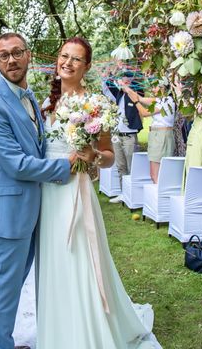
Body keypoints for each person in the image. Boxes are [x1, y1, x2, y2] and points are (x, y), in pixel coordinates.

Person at [34, 36, 156, 348]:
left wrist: (93, 157)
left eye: (76, 59)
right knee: (53, 257)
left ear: (87, 66)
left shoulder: (98, 104)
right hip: (47, 193)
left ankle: (86, 329)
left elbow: (108, 157)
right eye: (64, 56)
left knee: (79, 258)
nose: (68, 63)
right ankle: (58, 326)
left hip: (76, 191)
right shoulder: (46, 104)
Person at [0, 32, 74, 349]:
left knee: (14, 284)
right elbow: (16, 164)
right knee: (4, 286)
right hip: (8, 211)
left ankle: (0, 341)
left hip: (30, 207)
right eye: (4, 55)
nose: (11, 60)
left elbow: (38, 147)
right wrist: (65, 166)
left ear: (29, 55)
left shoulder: (28, 96)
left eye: (17, 52)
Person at [121, 81, 176, 184]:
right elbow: (140, 98)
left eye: (155, 87)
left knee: (155, 174)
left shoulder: (166, 101)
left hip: (160, 136)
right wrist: (125, 87)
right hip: (158, 135)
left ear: (163, 88)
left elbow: (145, 113)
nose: (153, 89)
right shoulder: (160, 100)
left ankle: (157, 197)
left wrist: (136, 102)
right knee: (155, 173)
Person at [102, 68, 143, 202]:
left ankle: (133, 195)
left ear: (131, 81)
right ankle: (123, 193)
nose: (123, 80)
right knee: (121, 166)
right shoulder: (119, 93)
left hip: (129, 135)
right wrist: (111, 73)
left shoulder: (136, 93)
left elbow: (139, 99)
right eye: (123, 78)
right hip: (117, 134)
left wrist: (127, 87)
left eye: (126, 78)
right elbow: (108, 85)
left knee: (132, 166)